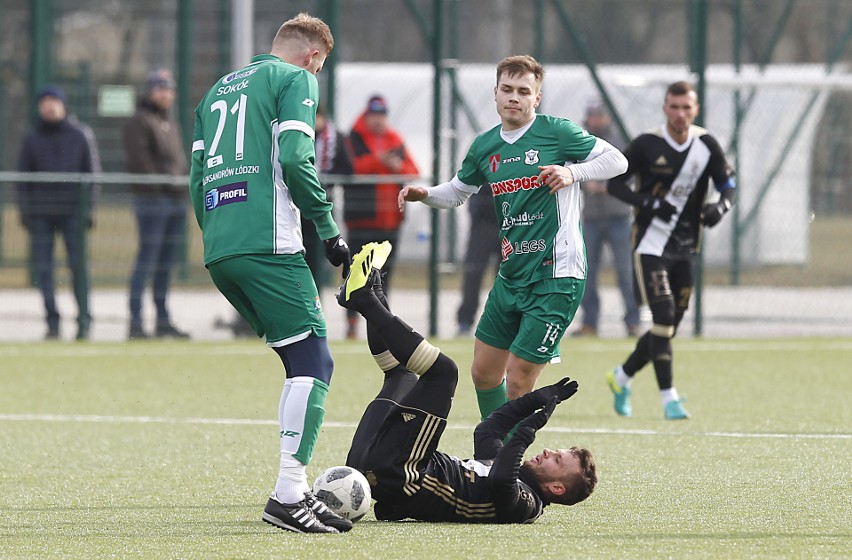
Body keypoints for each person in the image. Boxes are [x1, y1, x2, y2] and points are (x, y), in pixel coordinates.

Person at [189, 13, 352, 534]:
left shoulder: (214, 93)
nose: (318, 77)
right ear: (311, 57)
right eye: (321, 67)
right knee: (315, 361)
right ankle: (287, 492)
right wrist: (328, 230)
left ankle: (297, 489)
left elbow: (197, 179)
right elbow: (297, 157)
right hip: (270, 242)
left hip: (222, 246)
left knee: (296, 358)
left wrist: (219, 234)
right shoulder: (294, 79)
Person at [399, 55, 628, 421]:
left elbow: (618, 160)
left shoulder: (556, 132)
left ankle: (506, 463)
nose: (514, 97)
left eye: (524, 91)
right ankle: (495, 454)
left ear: (536, 98)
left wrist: (574, 174)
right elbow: (459, 191)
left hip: (557, 275)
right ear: (495, 93)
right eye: (507, 89)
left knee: (518, 380)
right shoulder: (485, 146)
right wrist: (425, 194)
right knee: (483, 373)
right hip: (511, 274)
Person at [339, 241, 597, 523]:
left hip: (404, 476)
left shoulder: (527, 505)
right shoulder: (504, 467)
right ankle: (373, 289)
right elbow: (487, 431)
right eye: (556, 452)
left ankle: (362, 299)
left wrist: (532, 426)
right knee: (400, 375)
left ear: (556, 488)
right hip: (372, 466)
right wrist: (536, 400)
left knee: (444, 372)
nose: (548, 452)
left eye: (556, 460)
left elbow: (501, 481)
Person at [604, 80, 737, 420]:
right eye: (674, 107)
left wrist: (719, 208)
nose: (680, 114)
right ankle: (669, 399)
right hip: (650, 245)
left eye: (686, 108)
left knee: (671, 325)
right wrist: (647, 202)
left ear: (695, 110)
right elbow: (615, 184)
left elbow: (728, 187)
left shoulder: (706, 144)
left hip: (686, 247)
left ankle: (622, 377)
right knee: (662, 318)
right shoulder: (647, 144)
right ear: (665, 108)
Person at [16, 85, 100, 341]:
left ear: (63, 104)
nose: (50, 106)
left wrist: (88, 210)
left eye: (54, 101)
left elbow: (93, 174)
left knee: (78, 268)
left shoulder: (80, 134)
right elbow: (22, 180)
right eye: (45, 101)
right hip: (41, 214)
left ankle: (84, 320)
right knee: (44, 271)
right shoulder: (31, 138)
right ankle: (52, 322)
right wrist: (26, 212)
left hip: (73, 212)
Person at [344, 94, 420, 339]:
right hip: (361, 220)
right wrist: (377, 161)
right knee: (356, 274)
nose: (378, 120)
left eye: (382, 115)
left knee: (384, 275)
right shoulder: (352, 139)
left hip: (390, 221)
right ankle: (352, 322)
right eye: (374, 115)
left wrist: (396, 167)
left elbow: (413, 171)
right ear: (366, 116)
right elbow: (350, 168)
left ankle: (381, 323)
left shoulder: (394, 139)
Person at [124, 68, 190, 340]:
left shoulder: (170, 123)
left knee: (165, 263)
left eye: (169, 89)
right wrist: (167, 183)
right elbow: (142, 162)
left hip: (175, 200)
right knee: (148, 260)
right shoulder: (140, 121)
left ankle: (162, 319)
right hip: (153, 200)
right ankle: (136, 321)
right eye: (160, 88)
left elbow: (178, 161)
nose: (165, 94)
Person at [573, 99, 640, 338]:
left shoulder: (620, 141)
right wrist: (584, 183)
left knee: (625, 271)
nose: (597, 120)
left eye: (600, 115)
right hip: (590, 217)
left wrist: (608, 187)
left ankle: (633, 321)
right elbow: (568, 174)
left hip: (618, 216)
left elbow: (631, 173)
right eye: (593, 115)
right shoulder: (579, 141)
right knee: (586, 273)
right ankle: (589, 322)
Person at [455, 185, 500, 337]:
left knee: (508, 278)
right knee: (473, 273)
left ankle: (502, 323)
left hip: (510, 224)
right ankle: (465, 322)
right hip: (482, 224)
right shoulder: (482, 161)